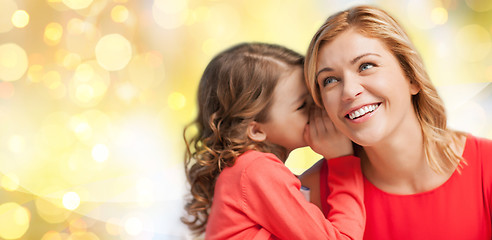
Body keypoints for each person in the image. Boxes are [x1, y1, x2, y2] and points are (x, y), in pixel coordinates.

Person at [302, 5, 492, 239]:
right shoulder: (310, 192)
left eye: (366, 66)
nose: (349, 91)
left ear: (411, 77)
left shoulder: (487, 167)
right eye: (330, 80)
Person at [182, 42, 366, 239]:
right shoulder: (256, 169)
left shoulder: (244, 171)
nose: (318, 108)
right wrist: (342, 161)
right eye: (303, 105)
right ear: (255, 129)